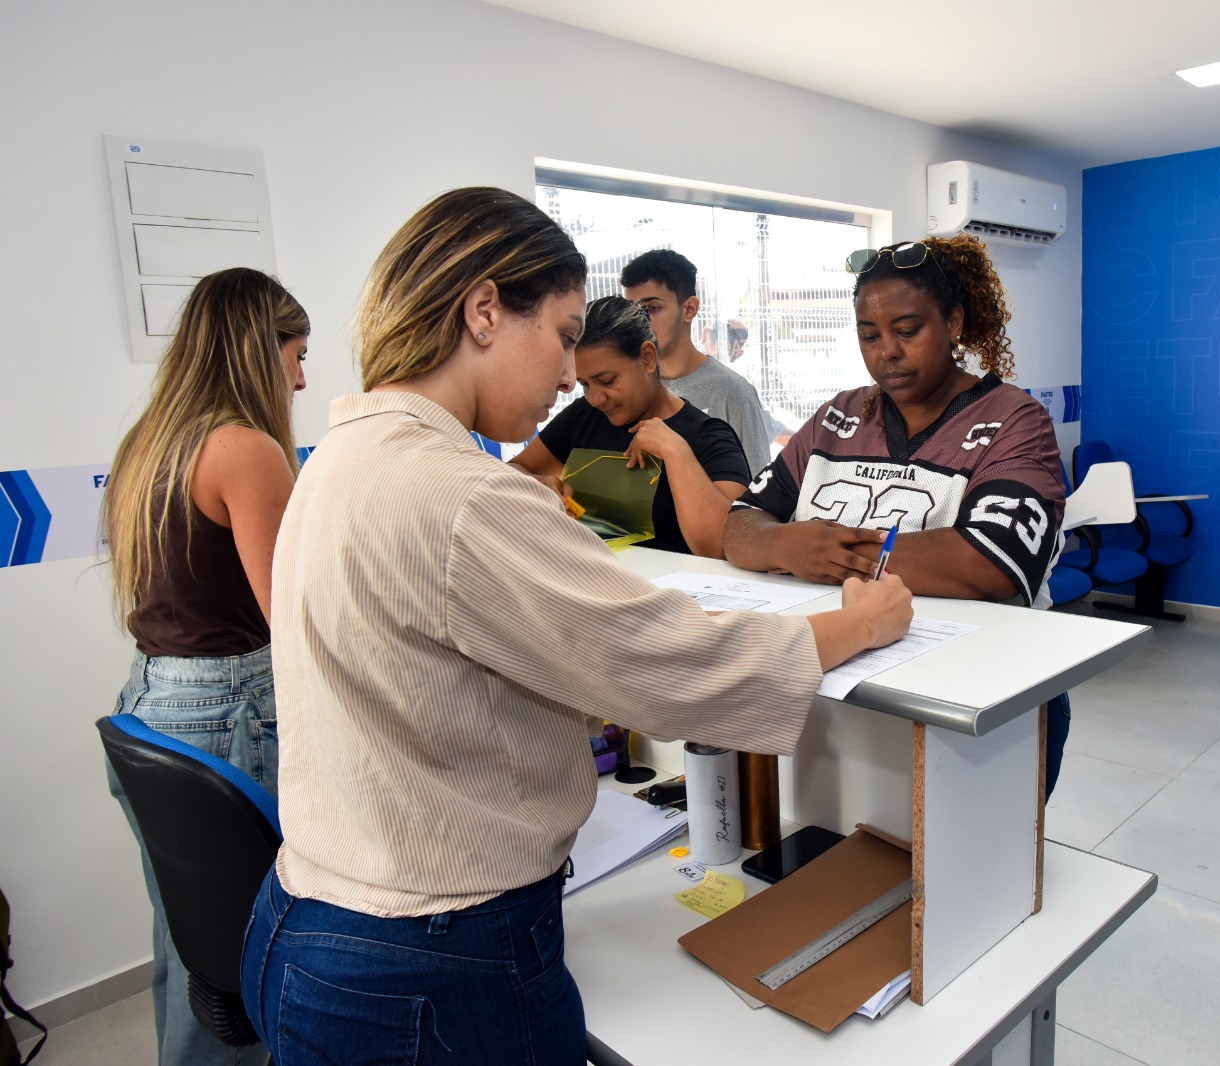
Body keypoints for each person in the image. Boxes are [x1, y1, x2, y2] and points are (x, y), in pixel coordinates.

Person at [240, 187, 912, 1065]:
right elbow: (671, 665)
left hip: (305, 922)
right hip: (432, 963)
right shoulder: (464, 495)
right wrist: (856, 625)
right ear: (484, 310)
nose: (568, 377)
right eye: (561, 336)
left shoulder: (341, 457)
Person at [723, 234, 1076, 796]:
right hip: (850, 689)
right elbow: (740, 524)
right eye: (869, 335)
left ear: (954, 323)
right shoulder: (836, 418)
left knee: (972, 848)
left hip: (980, 698)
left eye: (908, 331)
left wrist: (832, 553)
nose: (886, 351)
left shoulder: (1014, 420)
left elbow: (989, 564)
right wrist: (788, 544)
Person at [100, 266, 308, 1066]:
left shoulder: (150, 441)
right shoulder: (245, 449)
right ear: (257, 349)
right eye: (295, 354)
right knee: (242, 964)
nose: (300, 378)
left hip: (150, 704)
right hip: (228, 713)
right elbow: (292, 619)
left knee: (188, 944)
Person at [511, 295, 748, 557]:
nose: (596, 399)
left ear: (647, 357)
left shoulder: (708, 438)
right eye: (585, 385)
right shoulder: (584, 416)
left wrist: (676, 453)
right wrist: (539, 484)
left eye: (607, 380)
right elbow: (511, 472)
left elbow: (726, 546)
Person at [621, 249, 774, 475]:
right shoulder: (627, 388)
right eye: (631, 311)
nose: (639, 321)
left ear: (689, 309)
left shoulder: (733, 394)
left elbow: (758, 487)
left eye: (652, 308)